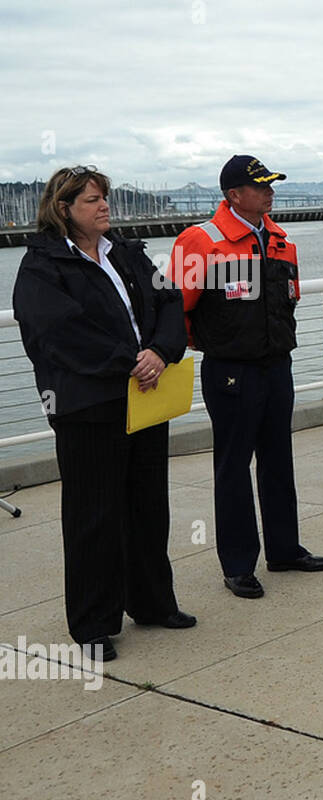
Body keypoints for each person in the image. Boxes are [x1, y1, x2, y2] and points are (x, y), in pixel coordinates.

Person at [13, 166, 195, 660]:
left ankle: (153, 603)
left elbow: (169, 300)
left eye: (104, 198)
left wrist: (160, 350)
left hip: (146, 398)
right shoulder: (42, 267)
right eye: (92, 200)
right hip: (88, 407)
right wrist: (129, 361)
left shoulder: (129, 252)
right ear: (64, 208)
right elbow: (57, 333)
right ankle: (93, 623)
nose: (103, 207)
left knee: (148, 505)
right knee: (94, 515)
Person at [170, 155, 323, 599]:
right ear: (233, 195)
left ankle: (285, 550)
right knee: (234, 466)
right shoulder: (200, 241)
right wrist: (211, 344)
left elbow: (289, 299)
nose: (269, 192)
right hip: (231, 371)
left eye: (271, 184)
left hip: (277, 365)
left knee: (279, 459)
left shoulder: (280, 239)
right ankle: (239, 564)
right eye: (260, 186)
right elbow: (175, 308)